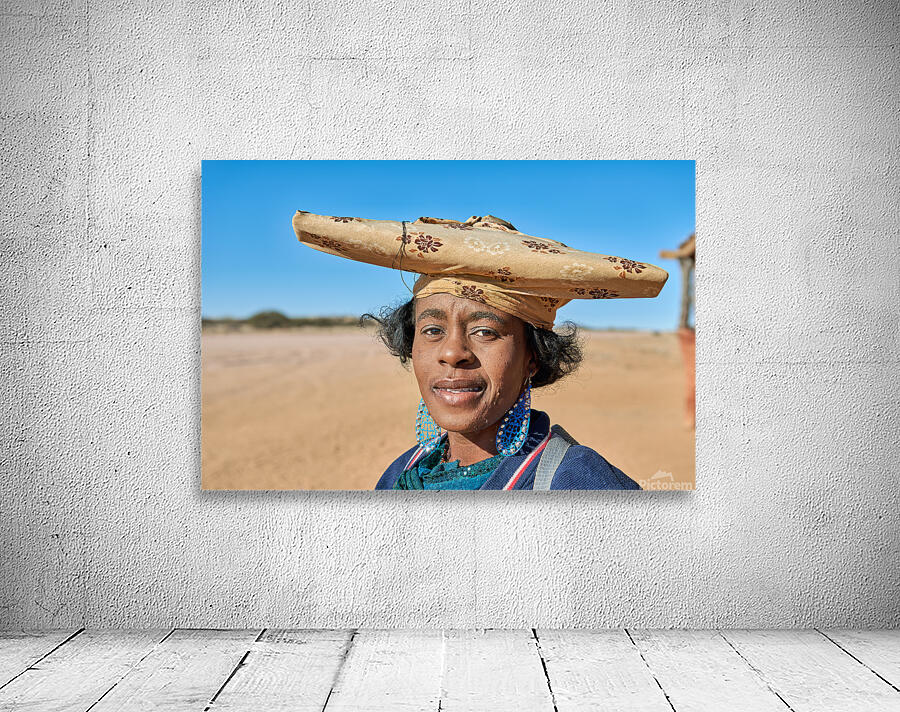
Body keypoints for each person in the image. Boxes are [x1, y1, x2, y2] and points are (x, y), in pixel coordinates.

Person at [291, 210, 669, 490]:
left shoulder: (577, 483)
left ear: (532, 358)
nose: (453, 352)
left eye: (485, 331)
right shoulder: (400, 475)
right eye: (433, 330)